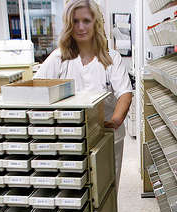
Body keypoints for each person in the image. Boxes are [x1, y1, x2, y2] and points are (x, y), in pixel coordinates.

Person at [34, 0, 133, 188]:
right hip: (70, 136)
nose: (81, 27)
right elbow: (38, 87)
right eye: (75, 22)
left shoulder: (111, 57)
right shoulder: (59, 57)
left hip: (106, 134)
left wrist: (115, 121)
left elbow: (125, 93)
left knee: (105, 190)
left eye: (86, 21)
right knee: (75, 190)